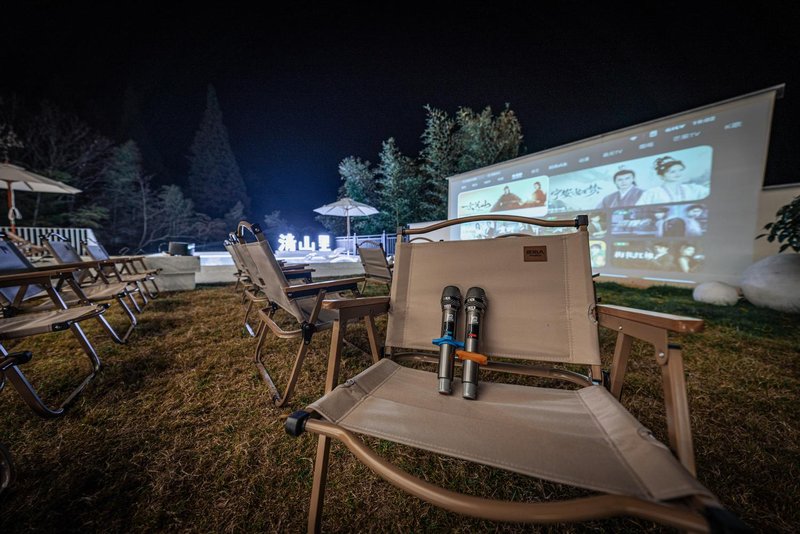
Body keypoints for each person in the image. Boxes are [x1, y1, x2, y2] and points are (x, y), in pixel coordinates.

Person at [636, 156, 710, 206]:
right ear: (661, 175)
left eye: (680, 170)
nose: (678, 174)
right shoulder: (652, 193)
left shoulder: (693, 188)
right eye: (672, 172)